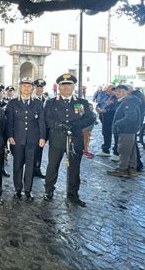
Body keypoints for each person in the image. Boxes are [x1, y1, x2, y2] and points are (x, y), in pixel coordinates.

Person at [44, 73, 95, 207]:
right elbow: (48, 118)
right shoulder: (51, 102)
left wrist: (75, 125)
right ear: (59, 87)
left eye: (69, 85)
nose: (66, 88)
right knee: (52, 166)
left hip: (75, 139)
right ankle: (48, 191)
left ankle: (73, 194)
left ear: (73, 87)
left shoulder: (81, 102)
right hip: (57, 139)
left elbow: (90, 118)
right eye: (63, 85)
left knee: (74, 168)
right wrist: (60, 125)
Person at [5, 78, 46, 202]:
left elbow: (41, 122)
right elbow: (9, 122)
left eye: (29, 86)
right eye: (24, 86)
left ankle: (28, 190)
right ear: (20, 88)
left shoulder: (38, 103)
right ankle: (18, 189)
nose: (26, 88)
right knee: (17, 165)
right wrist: (10, 136)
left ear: (32, 88)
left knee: (30, 166)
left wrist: (43, 137)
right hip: (17, 140)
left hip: (33, 140)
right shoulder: (12, 103)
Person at [107, 85, 142, 177]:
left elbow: (130, 117)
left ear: (126, 92)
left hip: (126, 130)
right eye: (116, 91)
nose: (117, 93)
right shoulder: (126, 101)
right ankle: (132, 169)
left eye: (120, 91)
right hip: (129, 130)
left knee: (124, 150)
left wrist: (117, 124)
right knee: (131, 150)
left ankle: (123, 169)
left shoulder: (128, 102)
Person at [95, 84, 117, 157]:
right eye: (106, 91)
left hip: (112, 118)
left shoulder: (116, 97)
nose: (107, 93)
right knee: (105, 133)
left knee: (116, 135)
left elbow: (116, 108)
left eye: (109, 91)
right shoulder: (106, 95)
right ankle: (105, 149)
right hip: (104, 118)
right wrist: (98, 108)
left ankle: (116, 152)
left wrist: (106, 110)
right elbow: (100, 103)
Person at [33, 78, 47, 178]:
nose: (39, 89)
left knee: (40, 151)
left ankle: (37, 168)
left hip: (43, 131)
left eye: (41, 88)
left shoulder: (46, 100)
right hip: (33, 130)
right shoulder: (32, 99)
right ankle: (31, 169)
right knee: (32, 151)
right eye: (38, 87)